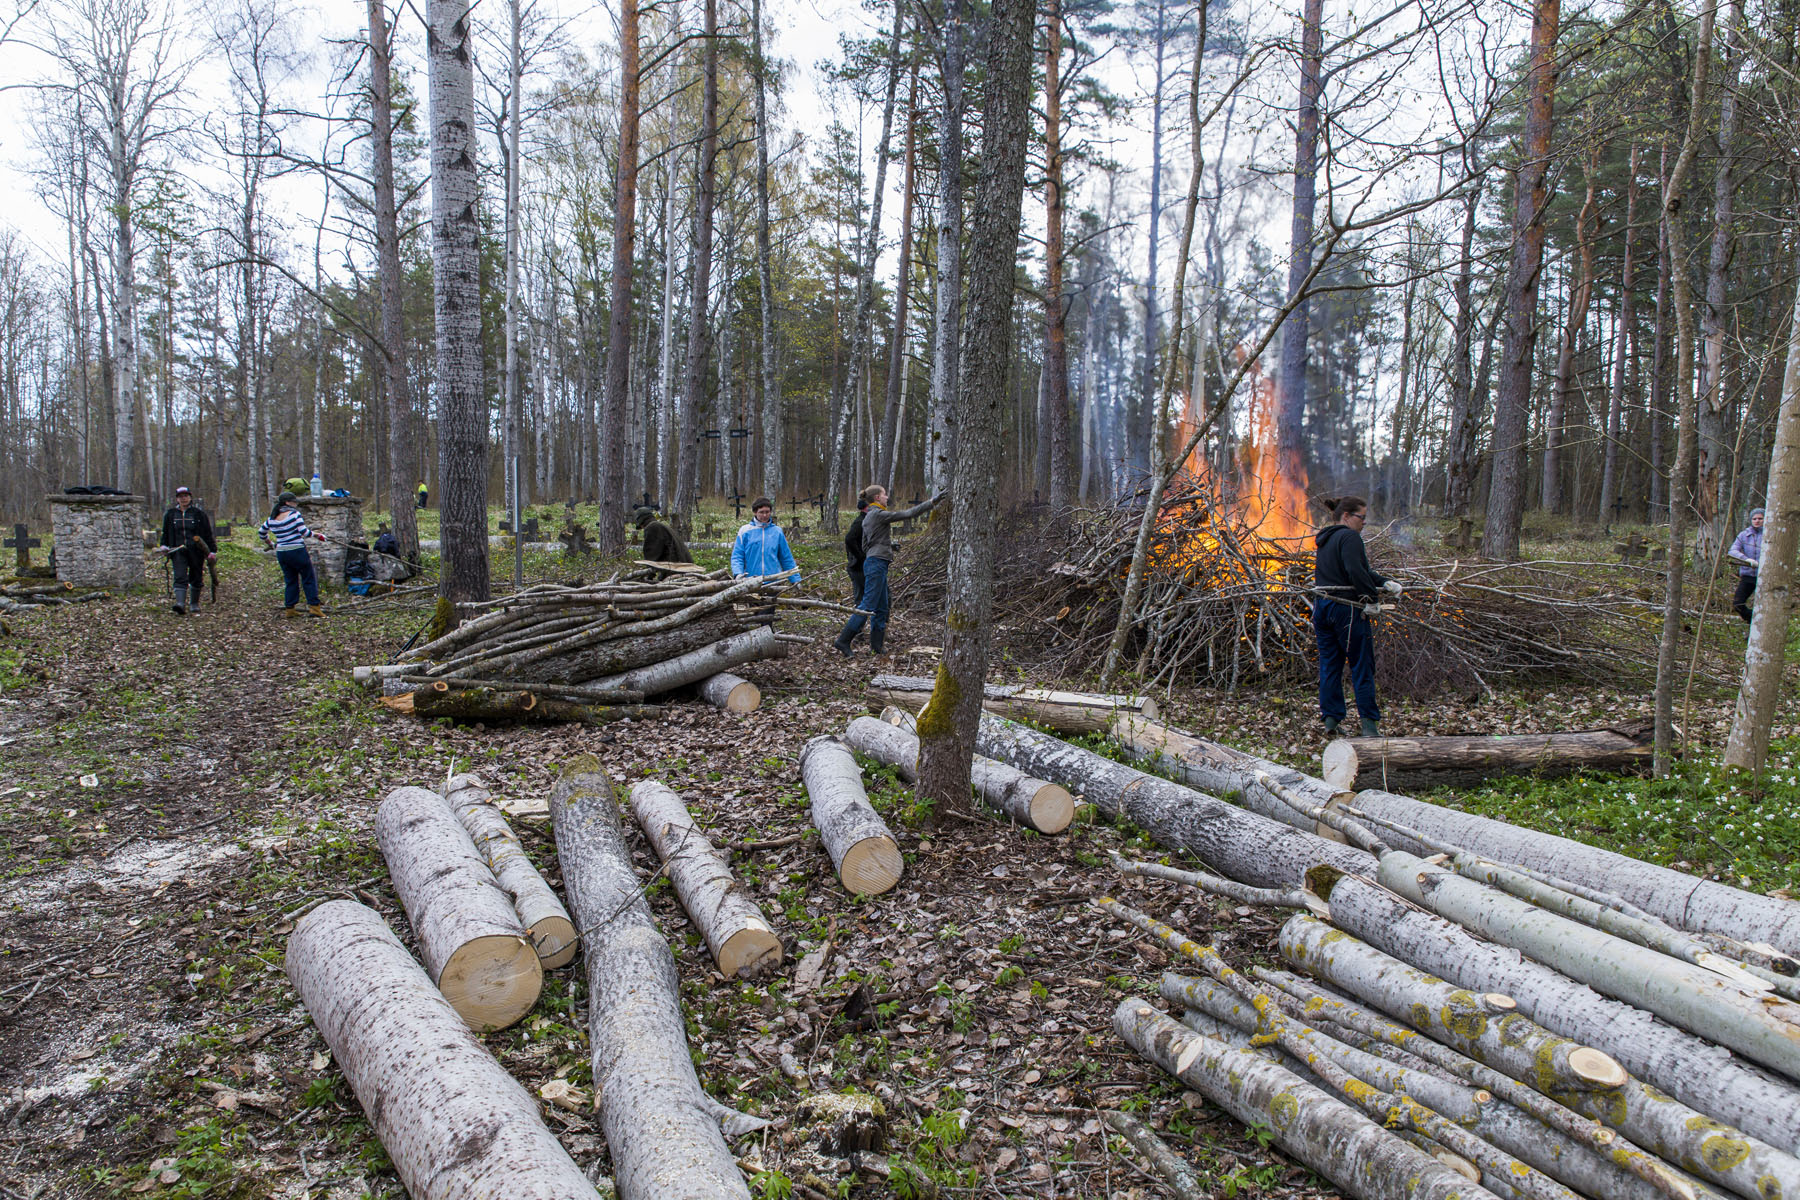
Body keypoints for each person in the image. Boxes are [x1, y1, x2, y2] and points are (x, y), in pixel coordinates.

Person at [1312, 496, 1401, 737]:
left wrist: (1384, 582)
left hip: (1322, 607)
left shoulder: (1326, 539)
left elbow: (1361, 571)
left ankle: (1330, 721)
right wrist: (1370, 600)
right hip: (1346, 610)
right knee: (1362, 665)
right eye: (1361, 517)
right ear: (1346, 516)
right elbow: (1354, 572)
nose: (1364, 523)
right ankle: (1370, 727)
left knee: (1330, 665)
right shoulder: (1350, 537)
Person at [833, 485, 943, 658]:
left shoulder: (868, 516)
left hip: (876, 563)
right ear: (877, 497)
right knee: (867, 604)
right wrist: (931, 502)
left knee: (882, 607)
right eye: (884, 494)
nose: (887, 497)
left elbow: (866, 543)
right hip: (876, 564)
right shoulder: (878, 513)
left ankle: (876, 647)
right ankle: (843, 640)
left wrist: (887, 547)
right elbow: (907, 514)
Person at [258, 491, 329, 618]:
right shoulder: (294, 514)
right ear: (287, 503)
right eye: (294, 501)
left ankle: (290, 609)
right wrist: (318, 535)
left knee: (290, 580)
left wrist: (270, 543)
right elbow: (304, 532)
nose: (296, 503)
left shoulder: (272, 518)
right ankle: (314, 607)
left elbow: (261, 532)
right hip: (297, 550)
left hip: (281, 553)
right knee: (308, 578)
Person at [159, 486, 216, 615]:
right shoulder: (170, 515)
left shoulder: (199, 514)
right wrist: (163, 545)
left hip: (196, 551)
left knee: (196, 576)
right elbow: (165, 532)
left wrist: (212, 551)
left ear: (190, 497)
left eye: (186, 496)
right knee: (179, 576)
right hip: (177, 550)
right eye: (181, 496)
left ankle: (194, 603)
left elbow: (207, 533)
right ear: (177, 499)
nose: (183, 499)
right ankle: (180, 603)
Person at [730, 498, 799, 582]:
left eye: (767, 512)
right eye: (761, 512)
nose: (765, 515)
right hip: (750, 582)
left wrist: (796, 580)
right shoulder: (745, 531)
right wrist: (738, 574)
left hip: (774, 581)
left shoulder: (777, 532)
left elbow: (786, 558)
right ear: (755, 512)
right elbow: (737, 556)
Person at [1728, 508, 1765, 623]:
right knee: (1738, 604)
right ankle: (1754, 623)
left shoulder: (1770, 535)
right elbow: (1732, 551)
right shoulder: (1744, 535)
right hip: (1748, 575)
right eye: (1754, 519)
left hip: (1765, 576)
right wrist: (1747, 560)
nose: (1757, 521)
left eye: (1760, 518)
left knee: (1764, 606)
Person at [844, 497, 870, 608]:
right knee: (860, 595)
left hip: (860, 563)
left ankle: (860, 617)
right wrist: (860, 556)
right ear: (866, 508)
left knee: (863, 594)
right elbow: (849, 539)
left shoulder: (866, 520)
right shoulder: (860, 522)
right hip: (857, 565)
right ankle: (858, 619)